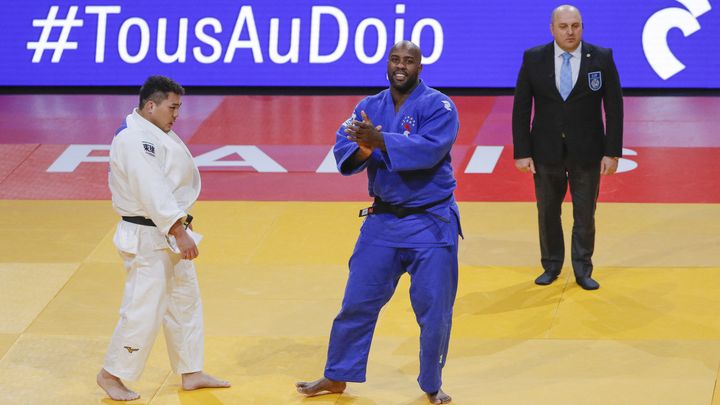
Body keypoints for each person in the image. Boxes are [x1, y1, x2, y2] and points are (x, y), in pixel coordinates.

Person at [296, 41, 461, 405]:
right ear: (387, 64)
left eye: (409, 61)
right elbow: (344, 150)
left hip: (431, 222)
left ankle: (432, 385)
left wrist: (380, 140)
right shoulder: (368, 107)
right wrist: (365, 148)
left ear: (420, 67)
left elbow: (430, 149)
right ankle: (337, 374)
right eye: (395, 59)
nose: (401, 66)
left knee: (434, 311)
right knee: (356, 302)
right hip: (383, 220)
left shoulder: (440, 105)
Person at [97, 75, 230, 401]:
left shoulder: (151, 130)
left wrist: (175, 229)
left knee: (184, 301)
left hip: (161, 232)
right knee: (144, 308)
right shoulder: (134, 140)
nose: (177, 114)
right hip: (149, 235)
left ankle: (191, 370)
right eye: (172, 107)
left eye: (179, 107)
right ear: (151, 105)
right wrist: (178, 230)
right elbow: (151, 189)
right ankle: (111, 373)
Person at [512, 5, 623, 290]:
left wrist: (612, 152)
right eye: (564, 26)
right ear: (552, 29)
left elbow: (614, 107)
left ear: (582, 27)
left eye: (575, 25)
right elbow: (522, 108)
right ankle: (551, 265)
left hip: (588, 150)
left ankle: (583, 269)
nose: (570, 31)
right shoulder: (533, 58)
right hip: (545, 149)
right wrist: (522, 151)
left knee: (585, 213)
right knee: (547, 211)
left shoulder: (602, 57)